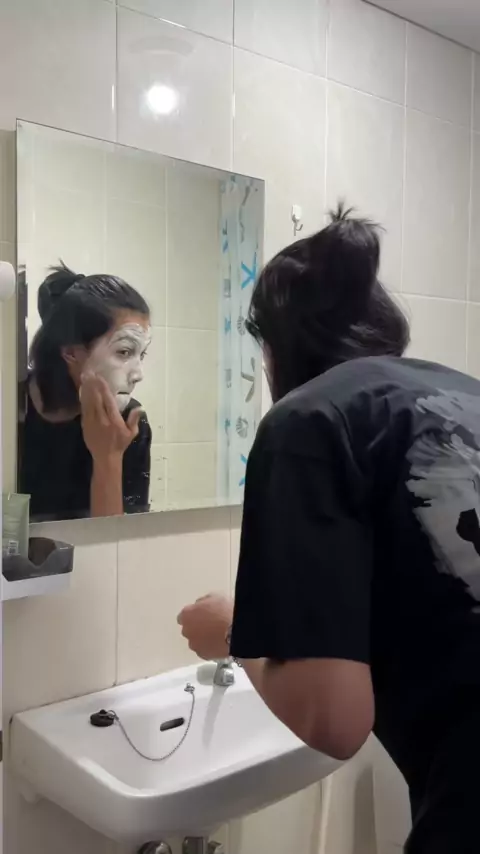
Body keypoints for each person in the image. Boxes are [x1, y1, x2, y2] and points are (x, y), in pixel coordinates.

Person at [179, 204, 480, 853]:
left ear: (273, 350)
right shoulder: (467, 396)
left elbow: (334, 720)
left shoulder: (309, 421)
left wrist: (233, 631)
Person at [19, 264, 152, 520]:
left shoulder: (129, 423)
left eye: (141, 354)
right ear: (71, 352)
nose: (138, 374)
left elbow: (119, 540)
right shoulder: (10, 408)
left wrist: (108, 457)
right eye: (124, 351)